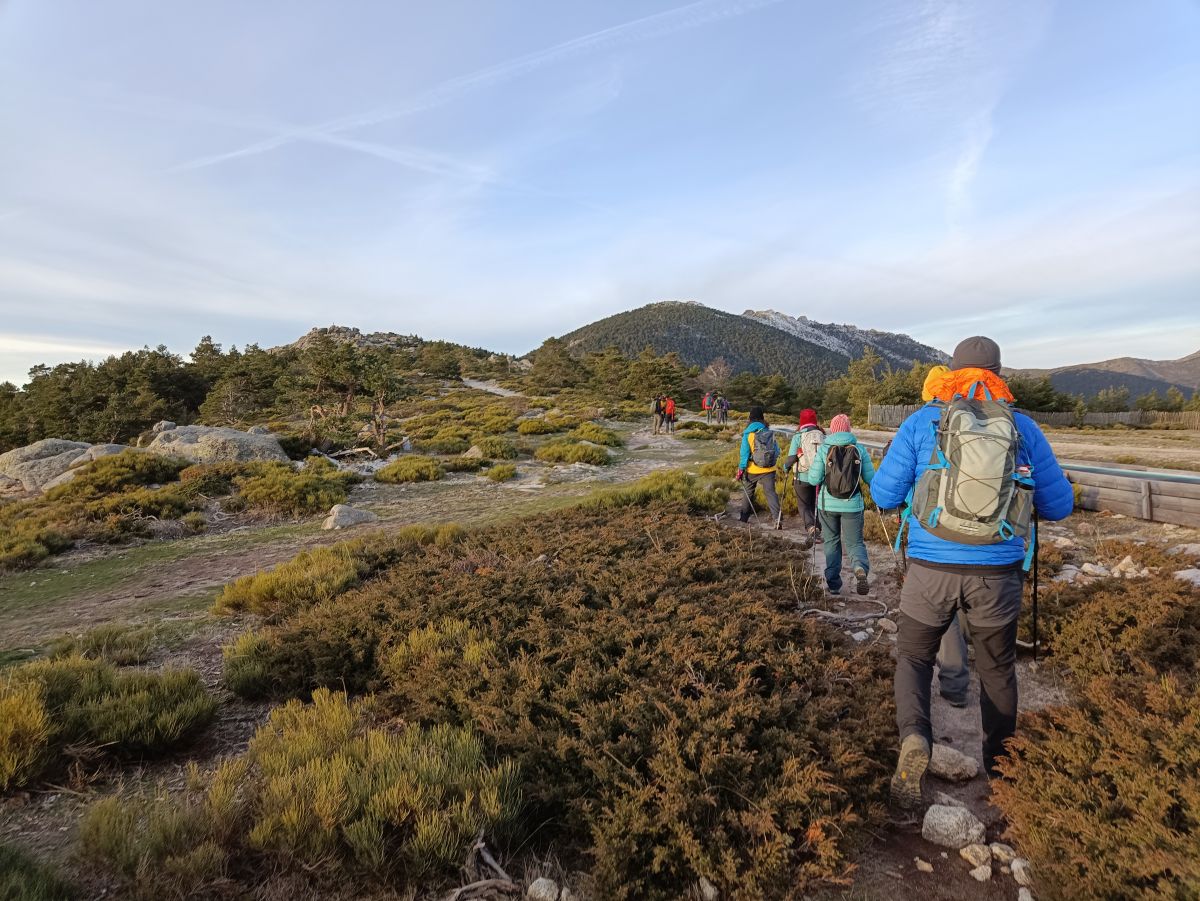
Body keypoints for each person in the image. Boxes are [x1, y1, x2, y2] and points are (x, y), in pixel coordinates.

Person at [870, 337, 1074, 807]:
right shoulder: (1022, 427)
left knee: (914, 658)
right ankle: (1000, 770)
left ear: (952, 373)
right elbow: (1059, 506)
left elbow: (882, 495)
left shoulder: (922, 422)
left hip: (930, 570)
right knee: (998, 669)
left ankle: (915, 738)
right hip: (997, 574)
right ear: (998, 374)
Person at [802, 413, 875, 596]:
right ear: (849, 429)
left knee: (832, 542)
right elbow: (871, 479)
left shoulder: (824, 449)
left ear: (832, 430)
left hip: (827, 505)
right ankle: (859, 567)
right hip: (853, 505)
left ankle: (834, 584)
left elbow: (813, 479)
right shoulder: (859, 449)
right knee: (855, 543)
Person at [783, 408, 824, 548]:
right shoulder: (823, 435)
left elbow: (791, 458)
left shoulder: (798, 436)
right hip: (819, 477)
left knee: (803, 505)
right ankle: (817, 528)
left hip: (802, 477)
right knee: (815, 504)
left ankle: (811, 528)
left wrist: (785, 468)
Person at [735, 405, 781, 526]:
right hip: (769, 469)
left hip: (752, 469)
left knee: (748, 493)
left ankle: (744, 518)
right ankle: (777, 519)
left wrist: (741, 470)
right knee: (771, 493)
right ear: (762, 418)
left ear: (750, 418)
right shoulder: (769, 432)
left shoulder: (748, 434)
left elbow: (744, 454)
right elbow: (777, 451)